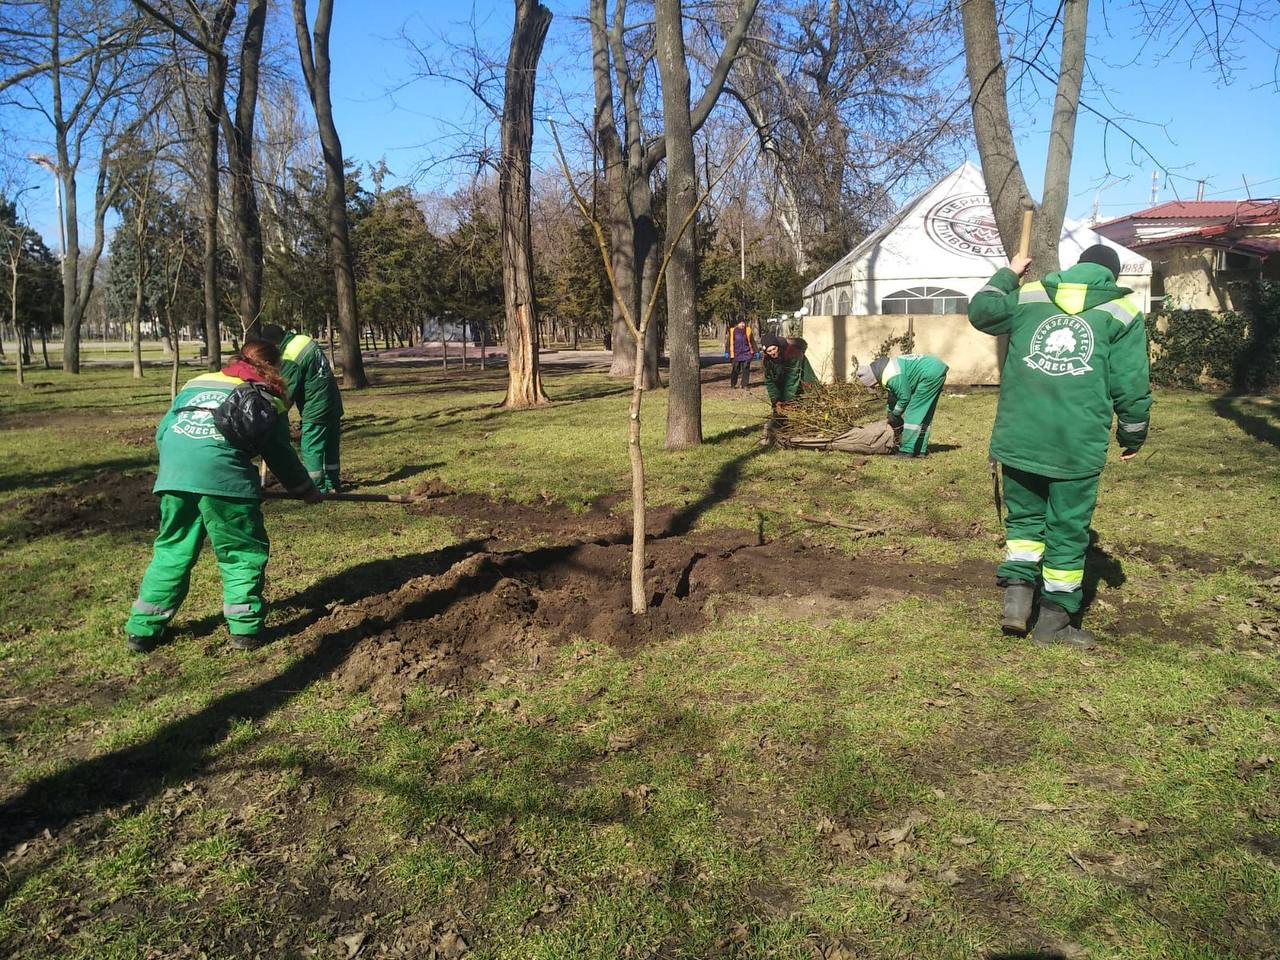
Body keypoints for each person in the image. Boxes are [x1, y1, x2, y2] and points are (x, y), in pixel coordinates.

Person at [968, 243, 1151, 649]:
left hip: (1019, 438)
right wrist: (1133, 433)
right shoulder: (1121, 313)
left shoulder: (1030, 295)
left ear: (1076, 266)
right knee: (1067, 531)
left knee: (1024, 523)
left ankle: (1016, 605)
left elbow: (982, 311)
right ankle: (1053, 625)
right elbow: (1131, 384)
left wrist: (1009, 273)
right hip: (1075, 446)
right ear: (1112, 277)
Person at [125, 340, 322, 654]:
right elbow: (279, 453)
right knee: (240, 551)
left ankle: (142, 629)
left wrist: (184, 471)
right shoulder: (264, 396)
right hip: (224, 478)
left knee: (172, 550)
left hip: (175, 475)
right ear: (273, 368)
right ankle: (245, 628)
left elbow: (164, 432)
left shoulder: (196, 383)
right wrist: (305, 489)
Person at [261, 323, 344, 493]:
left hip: (316, 406)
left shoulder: (291, 356)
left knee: (311, 447)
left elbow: (287, 392)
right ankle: (333, 482)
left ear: (274, 344)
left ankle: (318, 487)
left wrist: (272, 414)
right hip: (332, 401)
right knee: (330, 444)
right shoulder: (302, 339)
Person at [856, 353, 949, 458]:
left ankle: (906, 451)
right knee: (924, 412)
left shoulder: (891, 376)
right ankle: (919, 450)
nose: (875, 387)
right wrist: (890, 412)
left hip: (930, 373)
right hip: (934, 368)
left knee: (914, 411)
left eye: (873, 385)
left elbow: (905, 397)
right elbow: (894, 394)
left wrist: (896, 413)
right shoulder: (884, 369)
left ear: (873, 379)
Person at [761, 334, 819, 443]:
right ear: (765, 352)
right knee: (779, 413)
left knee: (804, 410)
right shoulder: (767, 360)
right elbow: (770, 381)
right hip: (785, 386)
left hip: (805, 385)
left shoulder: (793, 354)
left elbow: (791, 379)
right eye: (769, 351)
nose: (773, 352)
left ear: (778, 346)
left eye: (774, 349)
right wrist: (776, 400)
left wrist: (786, 402)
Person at [722, 317, 759, 388]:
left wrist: (756, 351)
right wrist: (727, 351)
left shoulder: (748, 330)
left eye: (743, 323)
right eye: (741, 323)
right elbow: (728, 343)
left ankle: (744, 384)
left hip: (746, 352)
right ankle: (733, 384)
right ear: (737, 324)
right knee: (735, 369)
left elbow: (752, 341)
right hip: (736, 354)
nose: (742, 324)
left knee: (746, 368)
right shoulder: (733, 331)